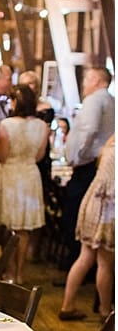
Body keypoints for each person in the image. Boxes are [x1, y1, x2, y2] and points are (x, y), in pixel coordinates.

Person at [0, 84, 48, 283]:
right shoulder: (42, 126)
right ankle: (21, 273)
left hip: (9, 176)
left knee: (6, 227)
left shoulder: (7, 125)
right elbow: (40, 155)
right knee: (24, 229)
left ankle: (10, 271)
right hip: (30, 175)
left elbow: (3, 155)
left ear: (16, 102)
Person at [62, 66, 115, 264]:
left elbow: (90, 129)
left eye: (88, 79)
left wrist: (80, 154)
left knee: (74, 213)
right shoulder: (111, 100)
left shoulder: (95, 100)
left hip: (89, 163)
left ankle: (74, 261)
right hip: (101, 164)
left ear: (99, 81)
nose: (84, 83)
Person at [59, 135, 114, 320]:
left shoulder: (110, 145)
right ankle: (106, 312)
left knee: (86, 258)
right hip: (107, 209)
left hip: (93, 204)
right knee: (105, 262)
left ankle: (67, 305)